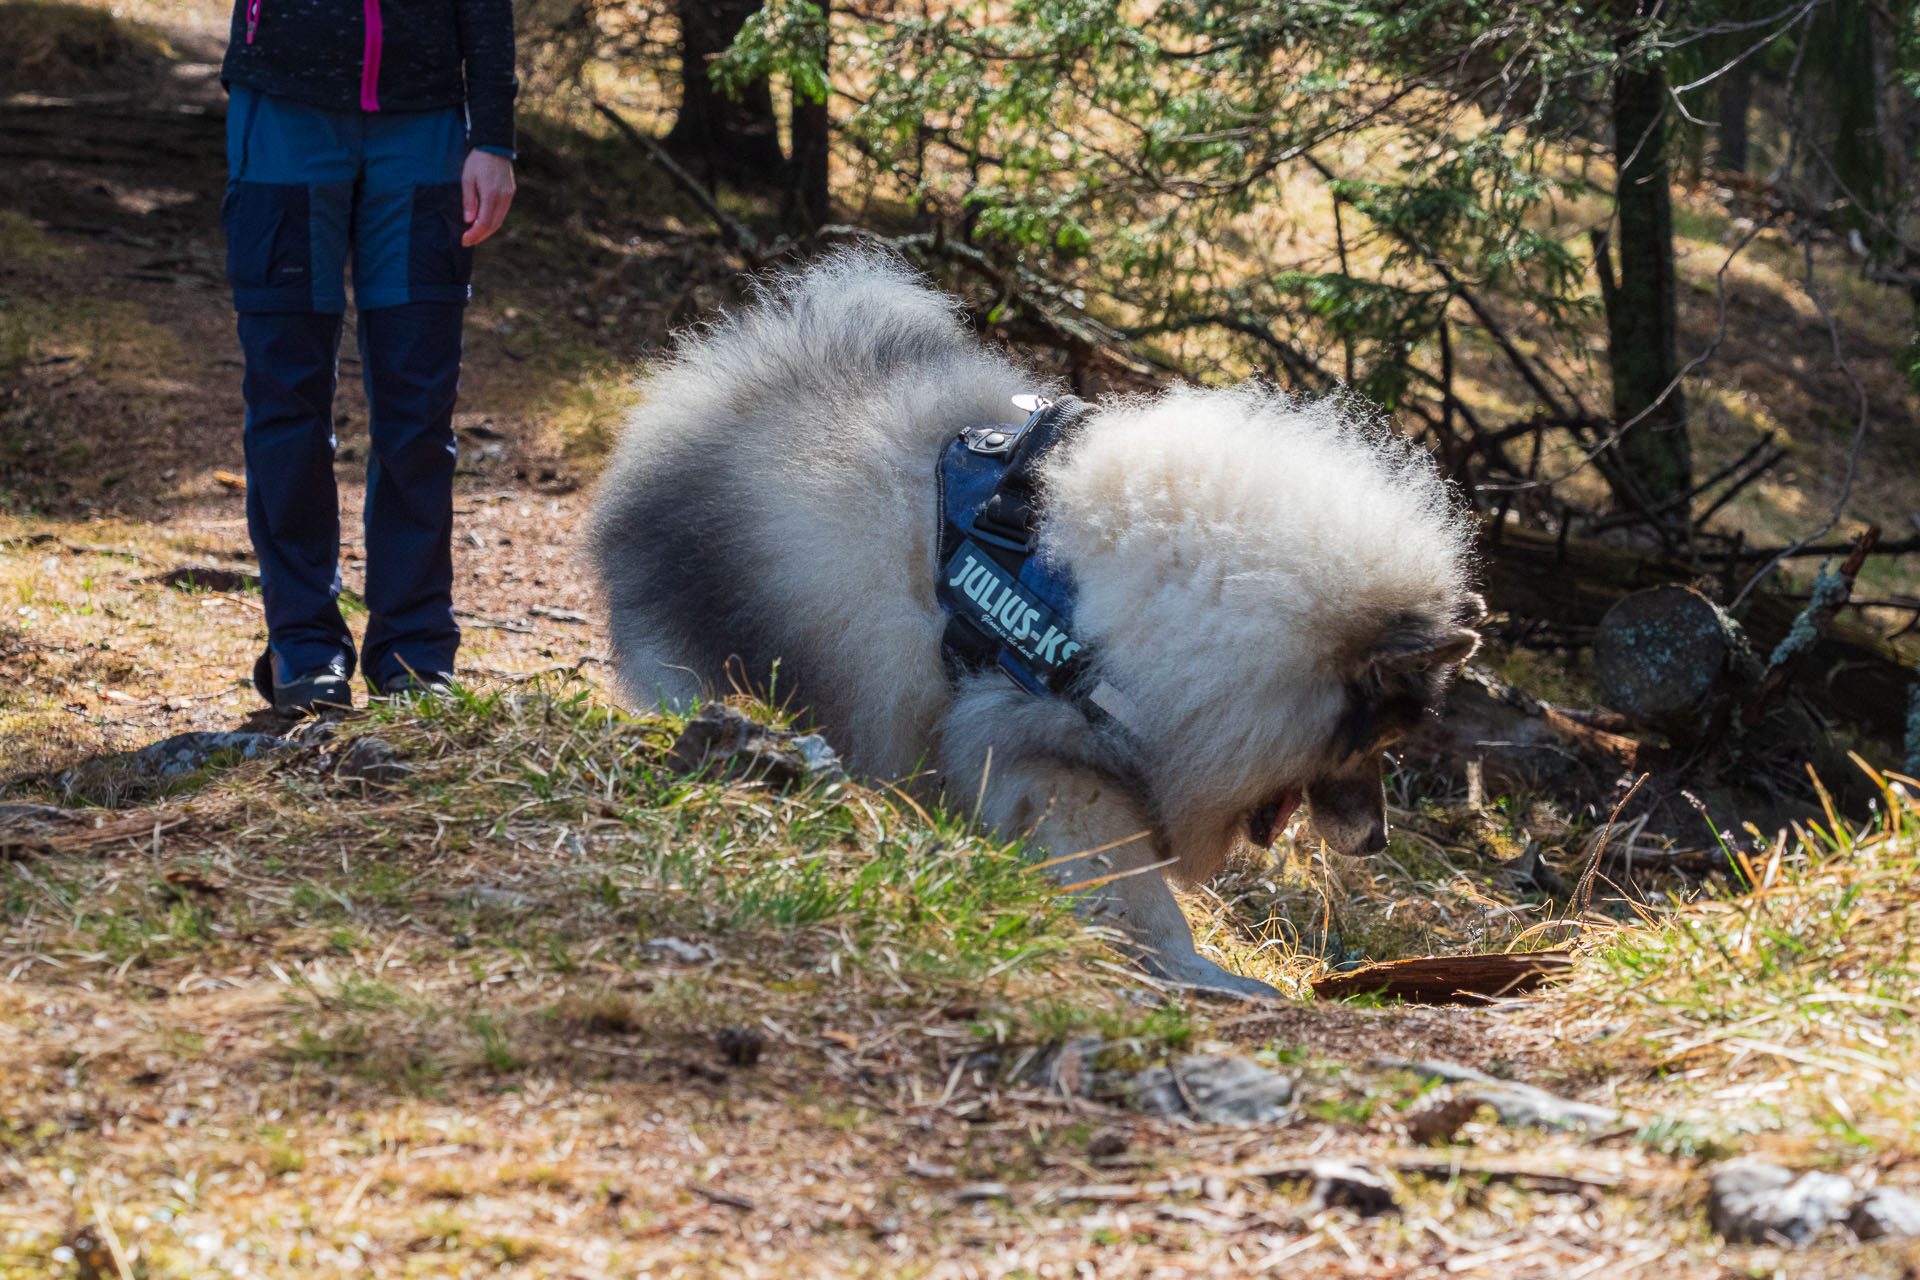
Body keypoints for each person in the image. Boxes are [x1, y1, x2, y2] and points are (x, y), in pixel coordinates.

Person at [219, 0, 517, 712]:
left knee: (417, 406)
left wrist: (496, 137)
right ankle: (303, 642)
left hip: (426, 124)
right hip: (284, 111)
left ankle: (413, 651)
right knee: (286, 394)